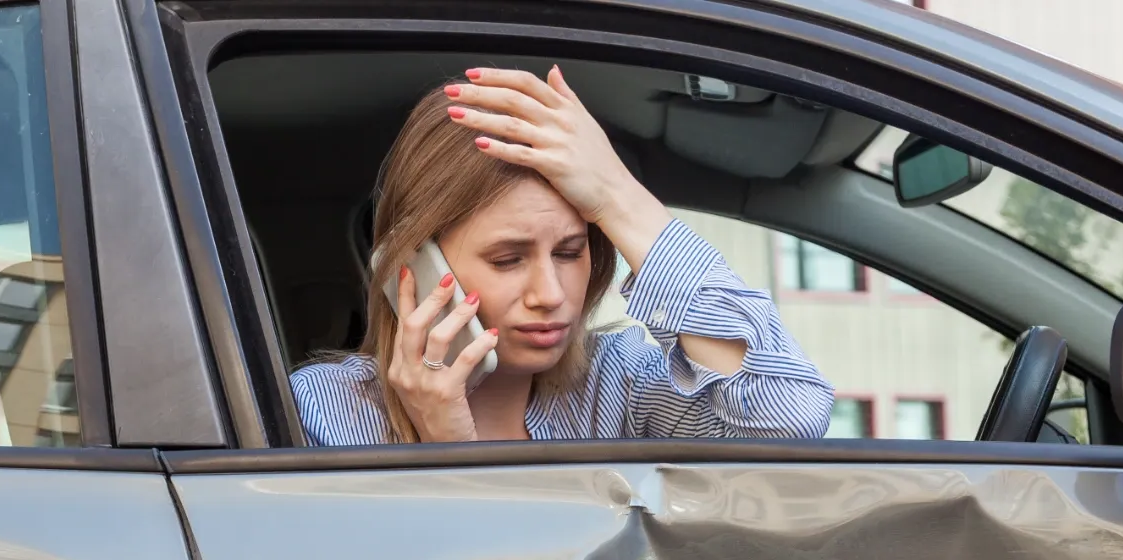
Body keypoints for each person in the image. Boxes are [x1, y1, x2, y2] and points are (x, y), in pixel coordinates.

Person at [292, 66, 835, 445]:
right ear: (414, 270)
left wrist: (620, 198)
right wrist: (446, 451)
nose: (551, 295)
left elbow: (789, 419)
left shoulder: (619, 386)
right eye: (508, 259)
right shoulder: (326, 412)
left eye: (571, 252)